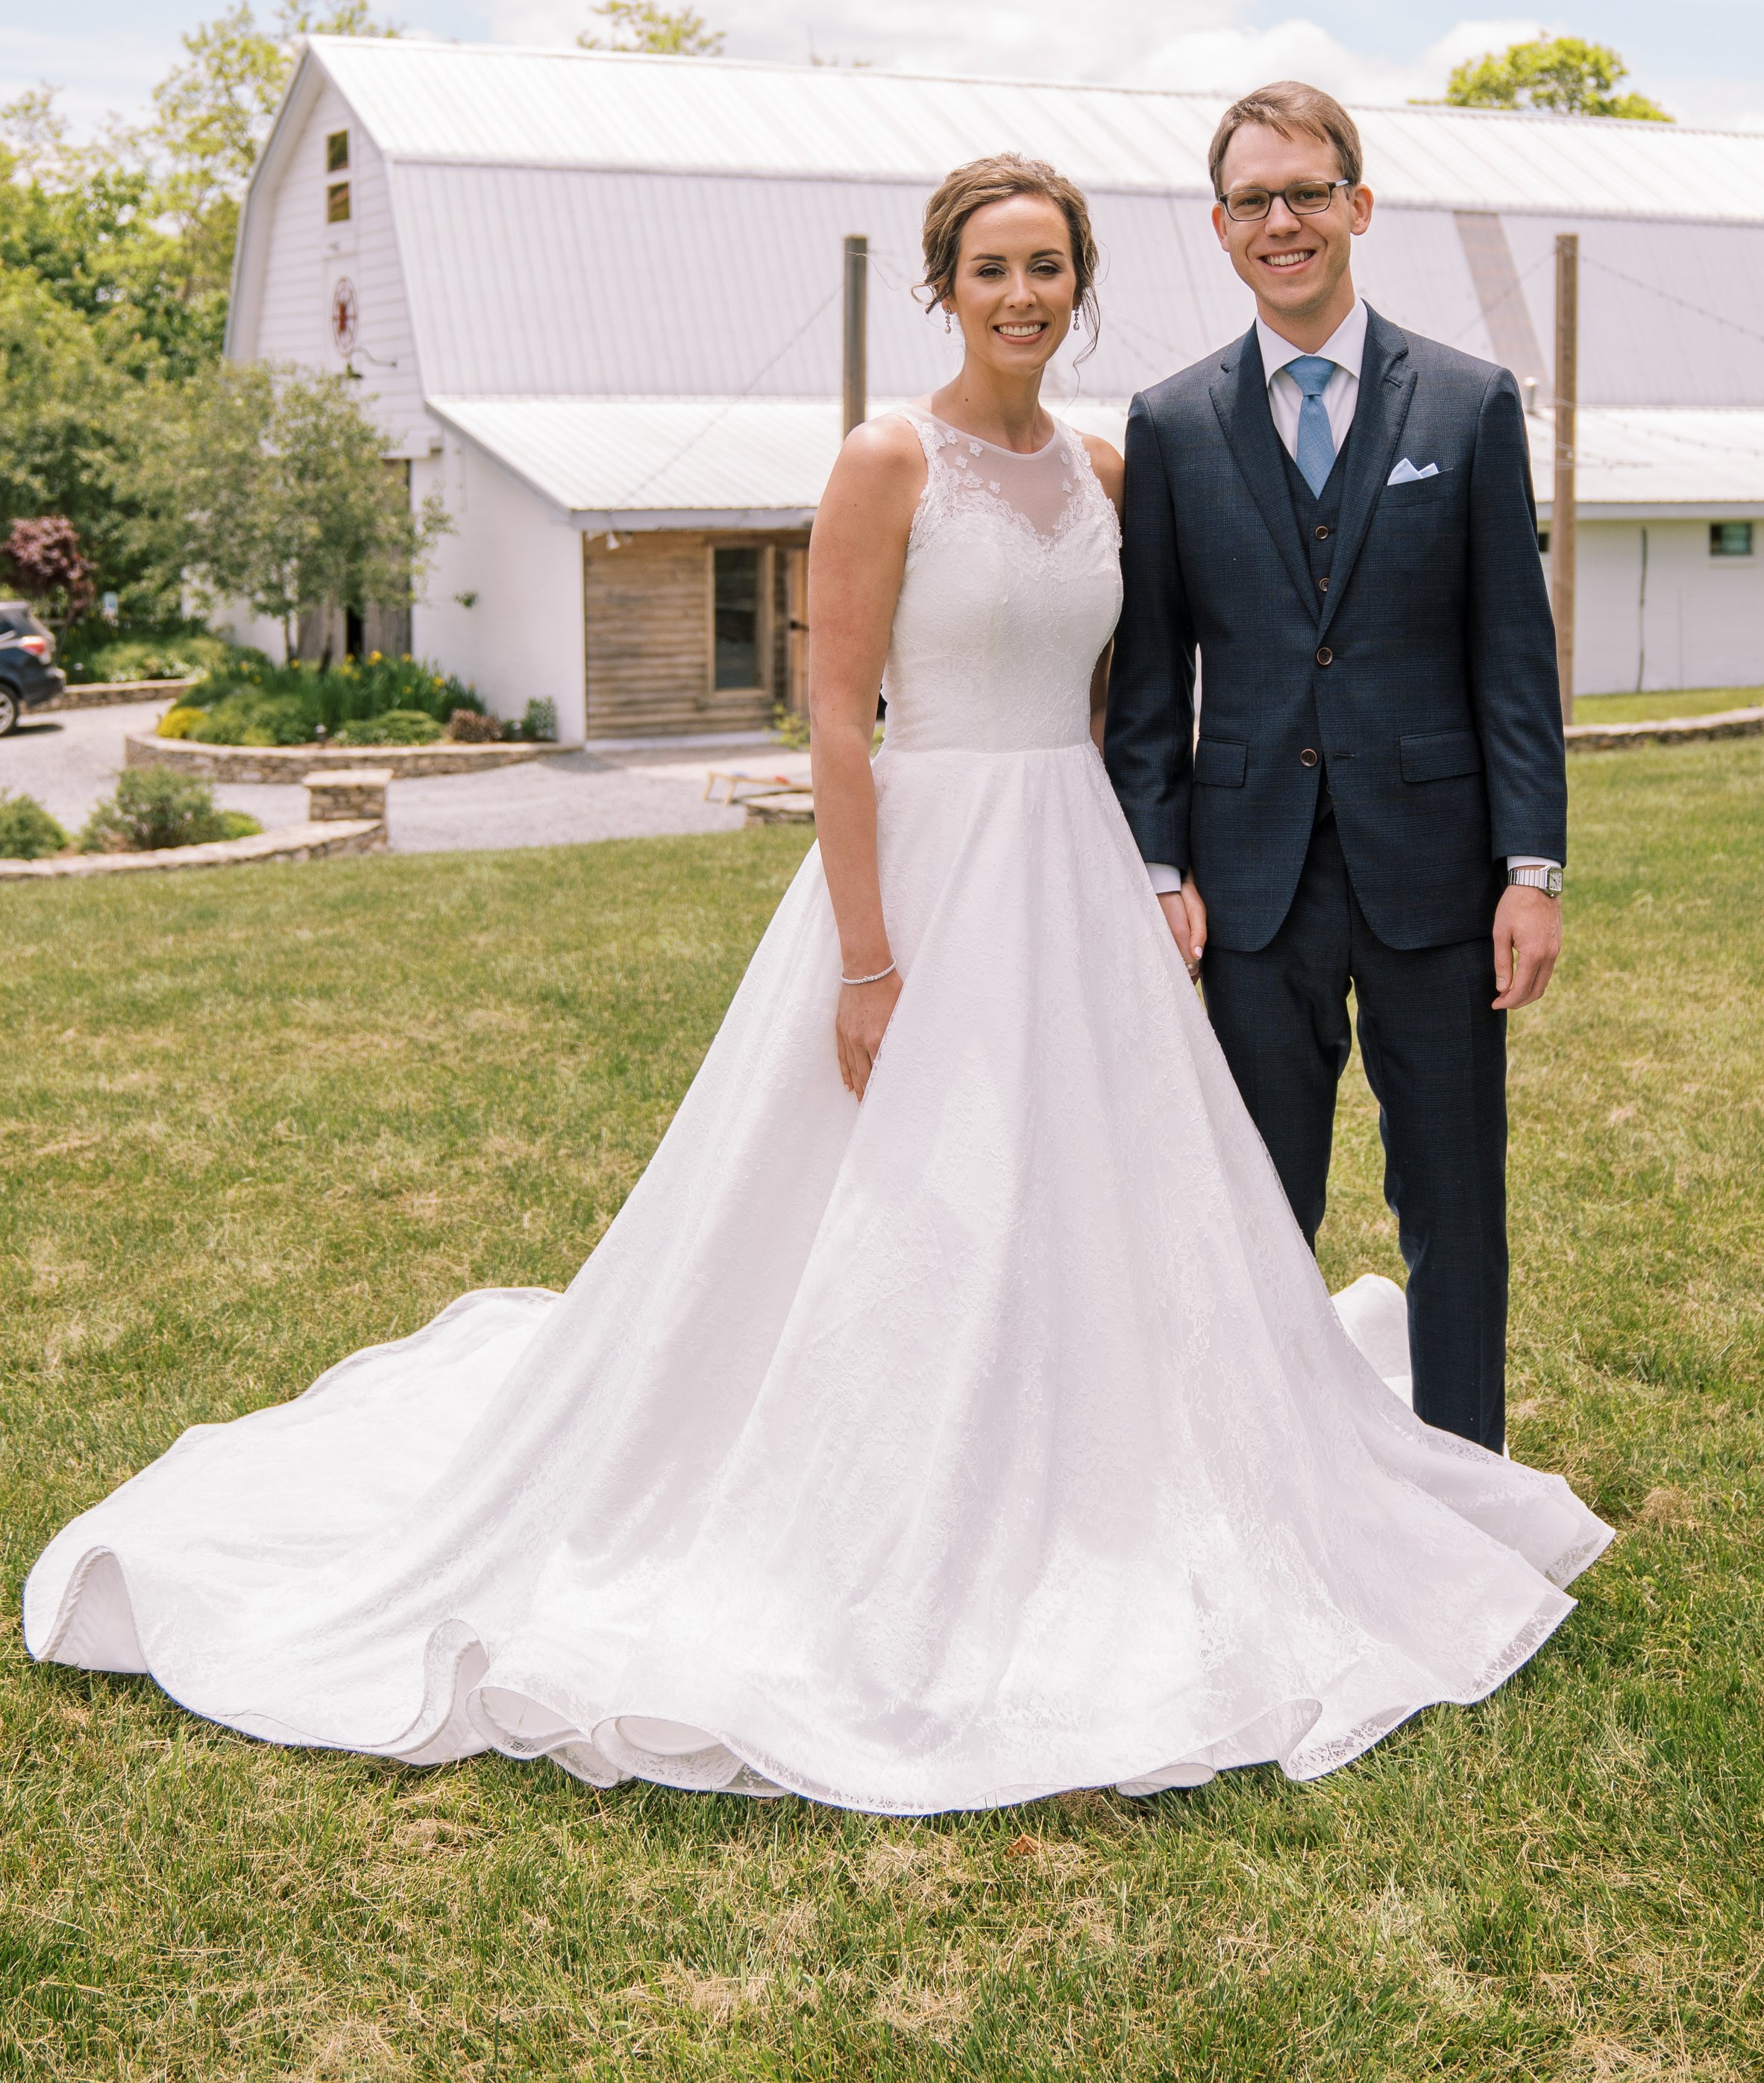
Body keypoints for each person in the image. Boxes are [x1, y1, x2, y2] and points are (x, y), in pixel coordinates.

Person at [24, 152, 1607, 1815]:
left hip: (1072, 868)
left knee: (1096, 1196)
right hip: (922, 870)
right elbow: (834, 719)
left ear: (1081, 283)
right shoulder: (883, 456)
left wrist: (1151, 865)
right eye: (990, 267)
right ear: (945, 286)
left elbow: (1121, 697)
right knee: (912, 1204)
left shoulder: (1101, 462)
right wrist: (865, 956)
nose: (1021, 294)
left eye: (1047, 266)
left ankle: (1115, 1465)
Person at [1105, 82, 1567, 1457]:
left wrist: (1530, 868)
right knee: (1257, 1202)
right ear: (1221, 226)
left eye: (1308, 192)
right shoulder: (1173, 424)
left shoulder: (1472, 403)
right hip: (1250, 886)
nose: (1283, 221)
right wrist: (1159, 864)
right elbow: (1149, 678)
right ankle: (1267, 1476)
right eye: (1254, 200)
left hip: (1436, 876)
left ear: (1358, 206)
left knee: (1453, 1204)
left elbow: (1513, 663)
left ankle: (1471, 1479)